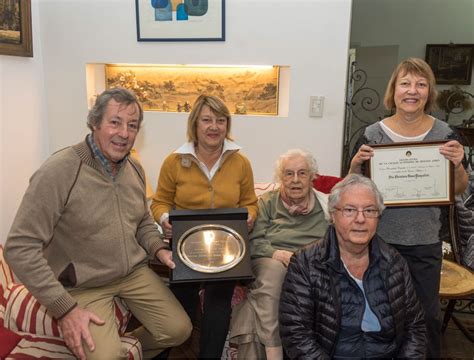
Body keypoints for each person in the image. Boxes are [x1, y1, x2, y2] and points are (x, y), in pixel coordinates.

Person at [4, 88, 192, 360]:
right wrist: (65, 309)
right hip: (83, 284)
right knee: (105, 356)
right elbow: (19, 247)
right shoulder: (59, 170)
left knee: (179, 330)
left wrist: (158, 249)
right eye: (115, 122)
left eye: (132, 125)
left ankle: (127, 348)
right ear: (94, 122)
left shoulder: (134, 168)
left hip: (132, 274)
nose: (124, 133)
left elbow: (141, 221)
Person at [349, 57, 468, 357]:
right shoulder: (371, 135)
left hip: (425, 243)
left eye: (420, 83)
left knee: (425, 319)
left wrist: (458, 166)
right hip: (379, 243)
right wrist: (354, 166)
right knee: (378, 317)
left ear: (429, 92)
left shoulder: (445, 134)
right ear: (394, 90)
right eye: (405, 83)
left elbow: (458, 189)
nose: (412, 90)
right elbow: (352, 191)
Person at [150, 94, 258, 358]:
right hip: (186, 247)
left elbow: (250, 202)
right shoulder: (174, 161)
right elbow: (159, 202)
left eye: (221, 120)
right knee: (181, 308)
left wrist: (250, 217)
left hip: (226, 249)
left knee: (218, 305)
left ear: (227, 125)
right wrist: (164, 220)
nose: (214, 127)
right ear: (195, 124)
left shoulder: (240, 161)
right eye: (207, 120)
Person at [279, 174, 426, 359]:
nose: (360, 219)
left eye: (370, 210)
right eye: (349, 210)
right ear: (333, 214)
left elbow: (415, 327)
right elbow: (296, 335)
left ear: (378, 216)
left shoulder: (394, 262)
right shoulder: (305, 264)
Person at [229, 149, 330, 360]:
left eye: (302, 173)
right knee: (274, 273)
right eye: (288, 174)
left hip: (312, 263)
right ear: (280, 177)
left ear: (312, 177)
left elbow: (335, 243)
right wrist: (276, 253)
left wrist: (305, 258)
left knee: (250, 310)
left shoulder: (326, 205)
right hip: (270, 261)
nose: (295, 180)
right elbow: (254, 241)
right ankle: (274, 350)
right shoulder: (267, 202)